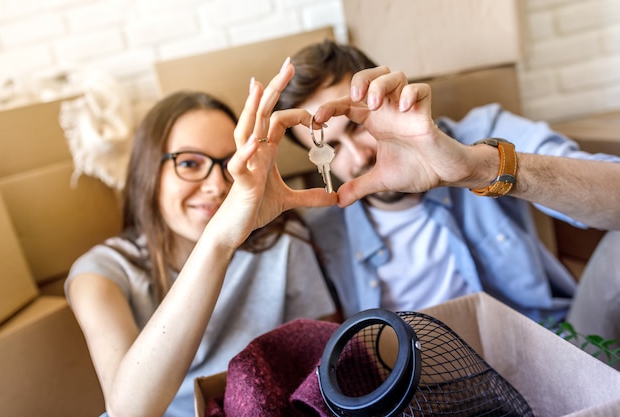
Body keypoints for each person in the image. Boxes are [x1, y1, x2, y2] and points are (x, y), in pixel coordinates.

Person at [273, 40, 620, 325]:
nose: (358, 156)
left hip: (547, 347)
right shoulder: (323, 230)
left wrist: (477, 168)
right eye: (329, 148)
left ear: (386, 96)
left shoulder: (482, 134)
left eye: (355, 126)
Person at [64, 59, 338, 417]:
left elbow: (325, 370)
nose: (216, 186)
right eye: (190, 163)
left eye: (229, 164)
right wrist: (218, 240)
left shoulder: (282, 244)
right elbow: (128, 410)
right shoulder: (102, 273)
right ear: (149, 172)